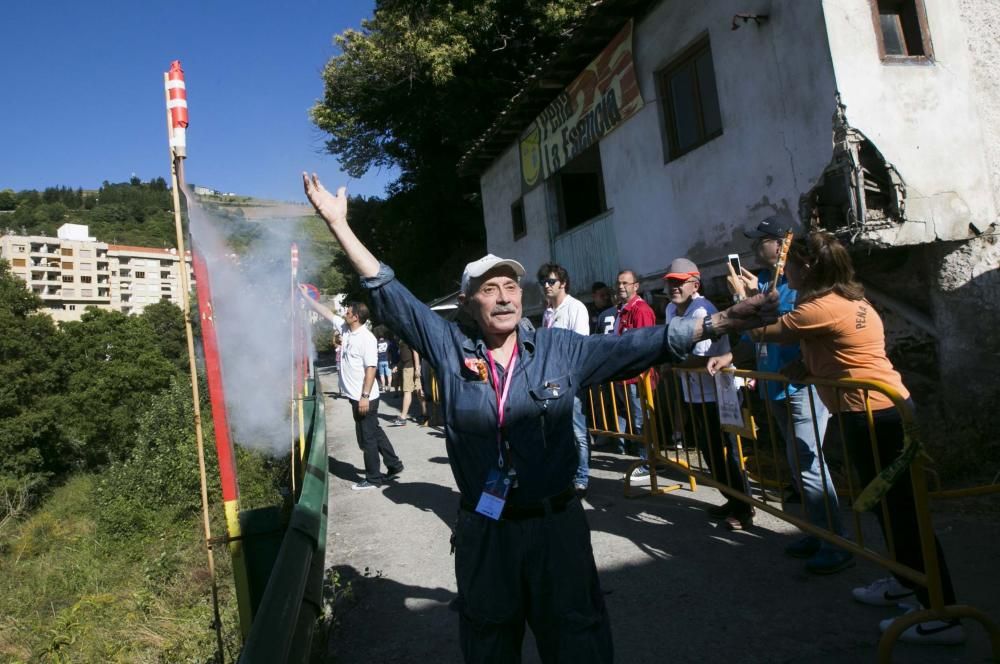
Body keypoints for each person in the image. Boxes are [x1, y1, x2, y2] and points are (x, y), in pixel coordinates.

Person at [301, 171, 778, 663]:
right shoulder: (449, 348)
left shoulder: (558, 349)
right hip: (486, 532)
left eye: (512, 285)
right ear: (467, 302)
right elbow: (388, 292)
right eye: (491, 289)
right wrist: (339, 224)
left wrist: (718, 321)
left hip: (557, 528)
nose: (506, 296)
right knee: (489, 644)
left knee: (577, 643)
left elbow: (633, 346)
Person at [750, 230, 963, 645]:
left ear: (806, 266)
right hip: (874, 411)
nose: (783, 270)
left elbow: (760, 332)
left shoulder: (822, 307)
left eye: (787, 263)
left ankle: (943, 613)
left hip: (875, 415)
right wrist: (805, 365)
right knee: (885, 508)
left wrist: (748, 302)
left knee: (905, 513)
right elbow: (831, 347)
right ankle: (907, 580)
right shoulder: (846, 300)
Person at [710, 218, 853, 570]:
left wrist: (746, 300)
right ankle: (818, 532)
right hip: (777, 387)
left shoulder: (799, 286)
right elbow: (752, 338)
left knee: (808, 464)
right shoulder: (768, 283)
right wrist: (730, 355)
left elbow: (781, 330)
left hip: (802, 387)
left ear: (778, 245)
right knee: (797, 466)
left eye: (760, 241)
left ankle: (837, 544)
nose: (755, 248)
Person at [662, 258, 753, 530]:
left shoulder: (703, 310)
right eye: (670, 282)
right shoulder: (670, 309)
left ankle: (744, 508)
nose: (673, 287)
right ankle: (732, 499)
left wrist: (669, 362)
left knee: (727, 452)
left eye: (680, 282)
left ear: (695, 284)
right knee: (709, 451)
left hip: (717, 394)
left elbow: (702, 359)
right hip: (694, 393)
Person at [302, 295, 404, 490]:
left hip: (364, 397)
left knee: (367, 438)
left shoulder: (366, 339)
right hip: (355, 396)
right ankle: (394, 465)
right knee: (375, 431)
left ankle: (373, 479)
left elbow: (371, 369)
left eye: (348, 311)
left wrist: (364, 397)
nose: (345, 313)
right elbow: (325, 313)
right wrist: (306, 298)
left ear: (356, 316)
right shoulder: (345, 329)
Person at [539, 262, 592, 494]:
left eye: (551, 281)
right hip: (551, 379)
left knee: (577, 430)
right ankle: (565, 474)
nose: (547, 286)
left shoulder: (576, 307)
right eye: (544, 282)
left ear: (563, 283)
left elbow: (580, 345)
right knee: (557, 430)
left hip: (570, 378)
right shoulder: (548, 312)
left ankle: (582, 477)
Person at [614, 269, 657, 477]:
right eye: (619, 283)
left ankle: (648, 463)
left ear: (636, 286)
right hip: (625, 376)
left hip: (639, 378)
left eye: (625, 283)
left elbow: (645, 346)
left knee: (642, 421)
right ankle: (647, 458)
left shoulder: (641, 310)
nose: (621, 287)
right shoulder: (622, 310)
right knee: (637, 420)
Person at [391, 339, 428, 426]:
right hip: (408, 367)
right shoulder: (402, 339)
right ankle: (425, 414)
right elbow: (404, 357)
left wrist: (417, 368)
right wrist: (397, 366)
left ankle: (403, 418)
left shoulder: (408, 337)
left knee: (408, 391)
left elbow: (415, 352)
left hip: (410, 368)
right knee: (418, 392)